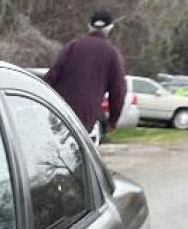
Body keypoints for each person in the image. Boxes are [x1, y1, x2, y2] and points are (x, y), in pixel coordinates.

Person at [45, 9, 127, 140]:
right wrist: (113, 120)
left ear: (89, 26)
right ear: (110, 28)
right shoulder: (112, 54)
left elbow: (52, 76)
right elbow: (118, 91)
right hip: (86, 116)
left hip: (59, 111)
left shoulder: (72, 46)